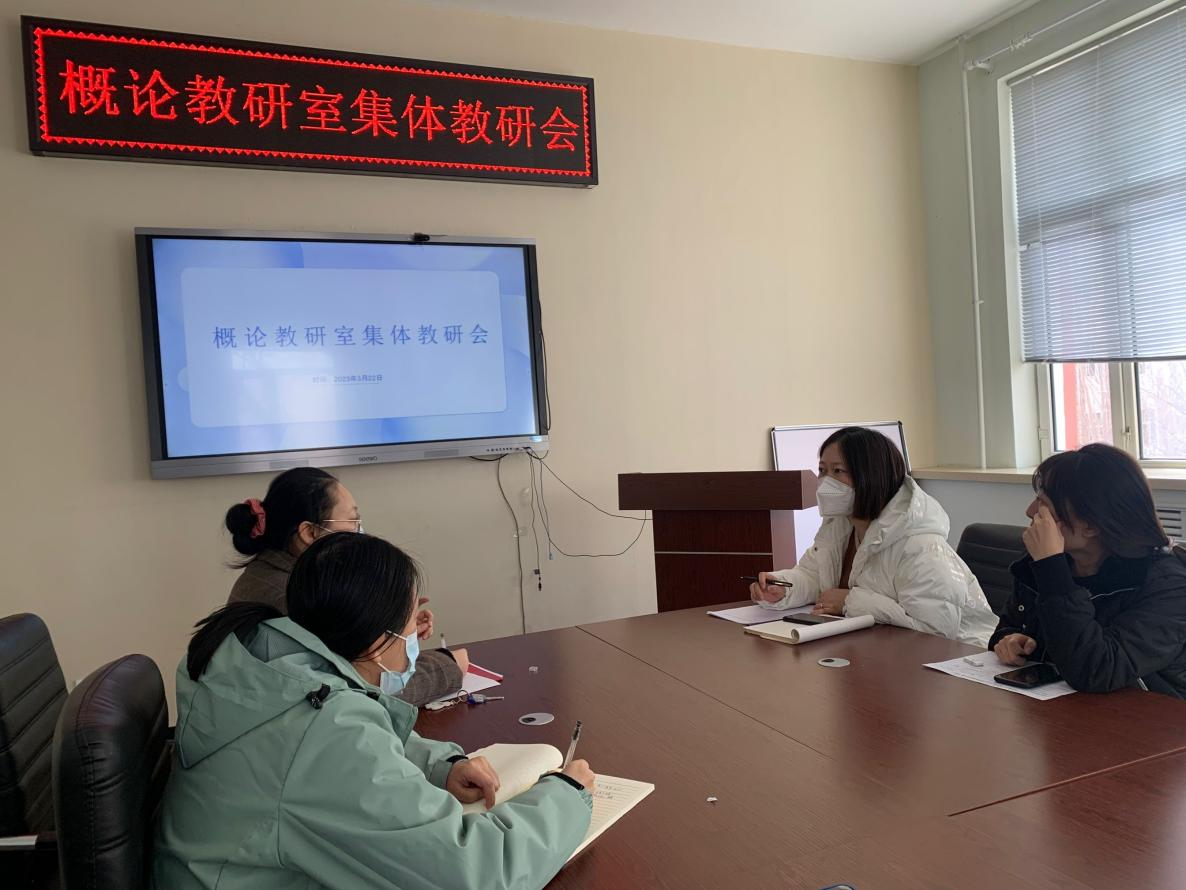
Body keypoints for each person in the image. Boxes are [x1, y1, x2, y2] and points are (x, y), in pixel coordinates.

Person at [154, 533, 596, 890]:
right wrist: (567, 794)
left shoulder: (265, 662)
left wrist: (441, 766)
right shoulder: (323, 726)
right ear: (375, 642)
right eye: (410, 625)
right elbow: (480, 874)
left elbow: (350, 749)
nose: (415, 640)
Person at [224, 467, 466, 707]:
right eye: (353, 520)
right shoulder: (295, 598)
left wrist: (397, 625)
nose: (360, 530)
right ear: (309, 532)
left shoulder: (270, 574)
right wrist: (445, 665)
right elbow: (357, 693)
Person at [751, 426, 996, 646]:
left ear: (871, 475)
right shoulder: (839, 527)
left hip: (963, 663)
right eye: (822, 471)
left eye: (838, 471)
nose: (825, 482)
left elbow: (935, 632)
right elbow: (815, 576)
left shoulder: (923, 546)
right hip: (878, 653)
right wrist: (783, 587)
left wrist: (850, 602)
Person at [989, 444, 1186, 697]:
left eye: (1043, 503)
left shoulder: (1169, 586)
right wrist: (1010, 640)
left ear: (1091, 525)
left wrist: (1052, 569)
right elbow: (1008, 627)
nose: (1030, 512)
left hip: (1147, 716)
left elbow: (1097, 670)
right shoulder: (1049, 562)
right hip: (1060, 709)